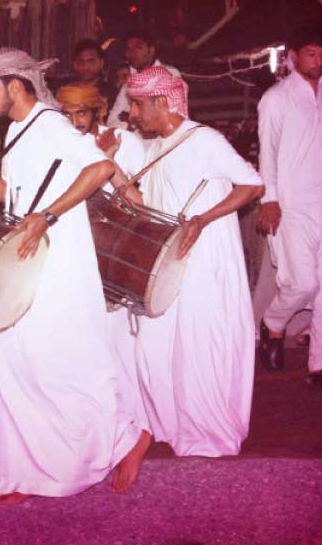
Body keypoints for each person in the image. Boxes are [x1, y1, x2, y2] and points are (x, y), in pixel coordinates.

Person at [0, 47, 146, 503]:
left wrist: (47, 217)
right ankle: (24, 473)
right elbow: (12, 191)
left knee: (64, 363)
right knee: (14, 363)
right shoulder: (17, 130)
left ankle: (124, 438)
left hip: (62, 260)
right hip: (27, 257)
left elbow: (100, 168)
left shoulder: (53, 124)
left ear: (16, 86)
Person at [108, 65, 263, 458]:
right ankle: (172, 426)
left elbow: (252, 183)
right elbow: (144, 206)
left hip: (206, 260)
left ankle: (207, 434)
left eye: (139, 105)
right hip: (167, 261)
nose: (134, 114)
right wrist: (109, 168)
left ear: (162, 101)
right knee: (154, 347)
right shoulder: (156, 146)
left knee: (198, 346)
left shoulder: (205, 140)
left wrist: (204, 218)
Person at [256, 28, 322, 389]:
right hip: (293, 203)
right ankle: (274, 322)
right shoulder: (275, 98)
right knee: (302, 283)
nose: (319, 61)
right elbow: (267, 152)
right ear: (294, 56)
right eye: (312, 53)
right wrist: (270, 200)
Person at [56, 82, 146, 191]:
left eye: (81, 113)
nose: (74, 123)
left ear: (96, 113)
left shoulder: (124, 140)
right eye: (67, 114)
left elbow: (150, 188)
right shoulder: (57, 142)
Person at [107, 30, 182, 129]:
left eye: (138, 47)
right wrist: (132, 122)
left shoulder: (170, 74)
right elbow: (111, 123)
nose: (131, 53)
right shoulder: (129, 81)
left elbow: (170, 116)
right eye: (128, 49)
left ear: (151, 50)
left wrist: (131, 118)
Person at [67, 38, 118, 108]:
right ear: (75, 64)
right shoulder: (67, 90)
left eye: (90, 61)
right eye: (81, 61)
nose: (85, 66)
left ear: (101, 63)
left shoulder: (111, 93)